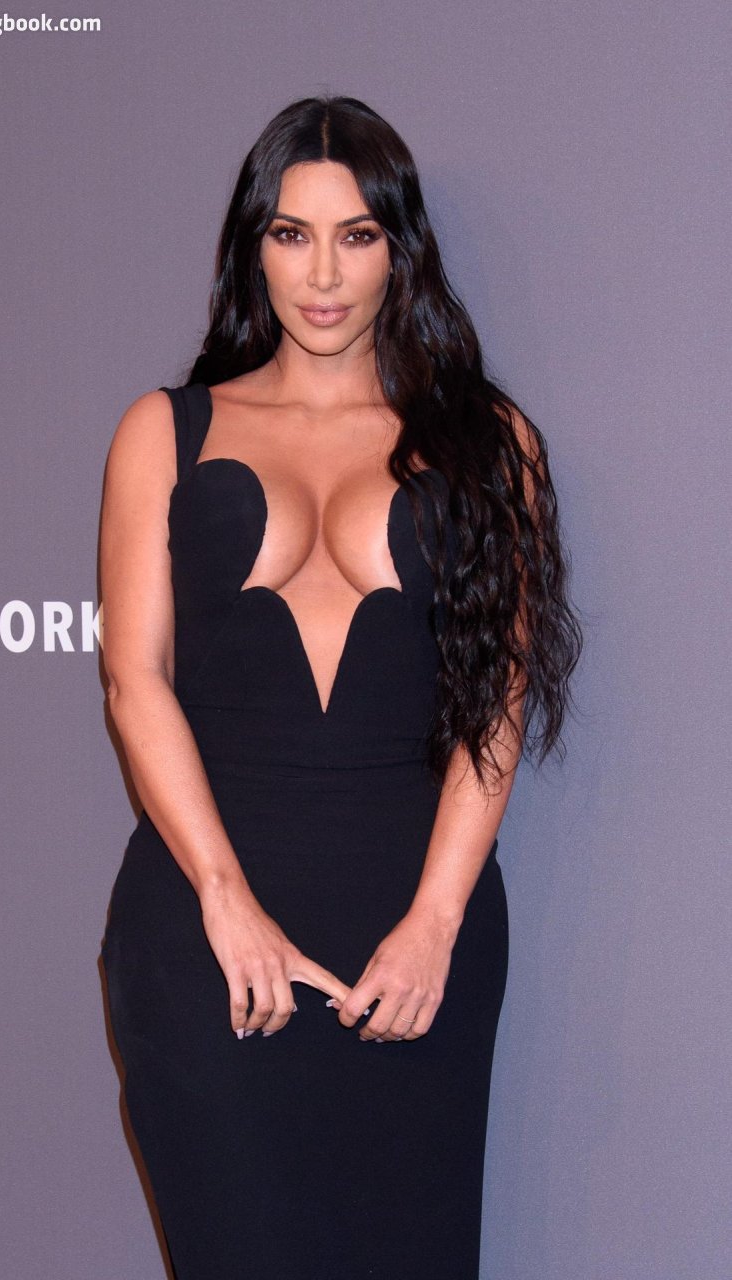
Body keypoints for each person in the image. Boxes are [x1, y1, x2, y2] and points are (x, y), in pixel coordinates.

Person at [98, 94, 582, 1280]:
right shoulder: (164, 431)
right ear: (252, 246)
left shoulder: (487, 442)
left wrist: (434, 923)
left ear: (397, 249)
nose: (321, 274)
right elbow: (134, 679)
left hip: (412, 940)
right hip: (204, 935)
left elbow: (495, 701)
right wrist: (224, 902)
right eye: (291, 233)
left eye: (355, 235)